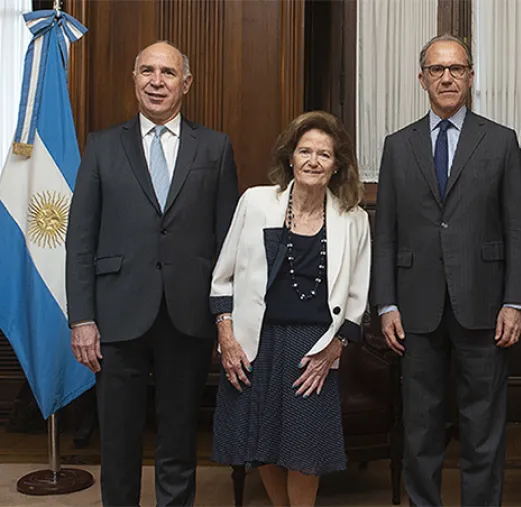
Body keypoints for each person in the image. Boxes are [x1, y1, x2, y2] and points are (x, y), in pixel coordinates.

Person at [66, 41, 239, 505]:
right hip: (116, 314)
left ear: (186, 84)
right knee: (118, 440)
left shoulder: (215, 147)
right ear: (134, 79)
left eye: (167, 73)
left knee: (179, 438)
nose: (156, 82)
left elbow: (228, 244)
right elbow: (80, 239)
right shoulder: (102, 146)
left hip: (188, 314)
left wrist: (226, 319)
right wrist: (81, 318)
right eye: (147, 71)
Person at [372, 34, 521, 506]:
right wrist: (386, 303)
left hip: (484, 304)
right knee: (420, 427)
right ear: (421, 79)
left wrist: (515, 300)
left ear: (471, 77)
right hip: (415, 306)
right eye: (437, 70)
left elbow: (517, 227)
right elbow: (386, 233)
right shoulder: (397, 145)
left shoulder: (501, 141)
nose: (447, 78)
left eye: (456, 69)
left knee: (483, 428)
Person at [209, 110, 370, 506]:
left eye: (324, 154)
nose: (314, 161)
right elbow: (223, 277)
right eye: (305, 151)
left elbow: (357, 298)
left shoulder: (353, 220)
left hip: (312, 351)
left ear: (336, 166)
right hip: (256, 343)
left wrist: (333, 350)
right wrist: (227, 337)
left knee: (305, 455)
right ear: (290, 157)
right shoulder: (256, 202)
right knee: (262, 444)